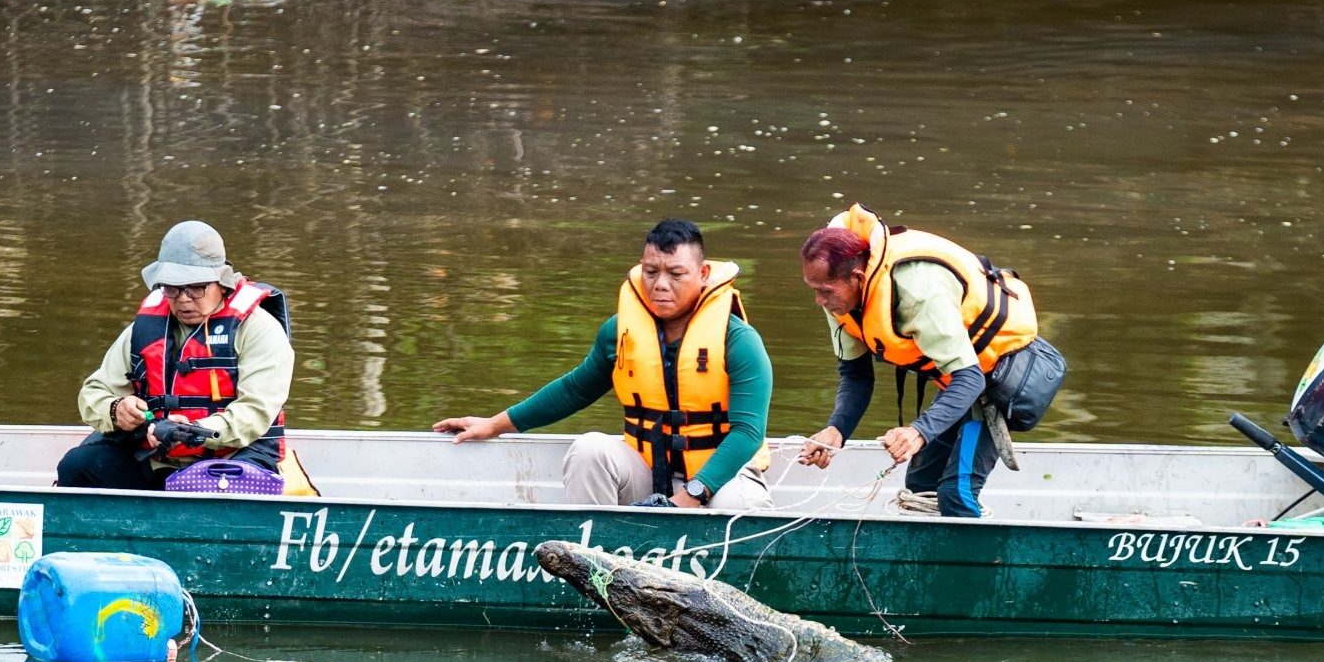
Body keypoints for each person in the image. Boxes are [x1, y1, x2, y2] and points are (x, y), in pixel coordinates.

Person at [432, 218, 774, 510]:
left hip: (722, 479)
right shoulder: (619, 331)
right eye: (651, 272)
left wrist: (691, 496)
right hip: (649, 473)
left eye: (676, 274)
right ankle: (595, 564)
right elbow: (575, 389)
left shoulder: (739, 341)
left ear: (701, 274)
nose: (660, 285)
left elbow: (747, 433)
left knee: (735, 504)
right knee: (589, 450)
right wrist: (495, 424)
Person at [793, 204, 1040, 517]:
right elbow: (856, 375)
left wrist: (918, 431)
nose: (819, 300)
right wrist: (836, 431)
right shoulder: (841, 301)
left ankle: (979, 562)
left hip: (999, 378)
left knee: (956, 494)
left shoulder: (917, 292)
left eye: (825, 291)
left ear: (857, 277)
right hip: (955, 379)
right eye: (813, 290)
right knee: (920, 485)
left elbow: (971, 378)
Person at [58, 220, 293, 491]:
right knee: (78, 466)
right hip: (155, 460)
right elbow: (94, 393)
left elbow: (255, 412)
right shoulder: (144, 328)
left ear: (222, 283)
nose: (182, 299)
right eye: (171, 287)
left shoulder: (260, 330)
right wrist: (116, 410)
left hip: (231, 461)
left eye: (195, 287)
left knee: (207, 487)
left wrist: (193, 431)